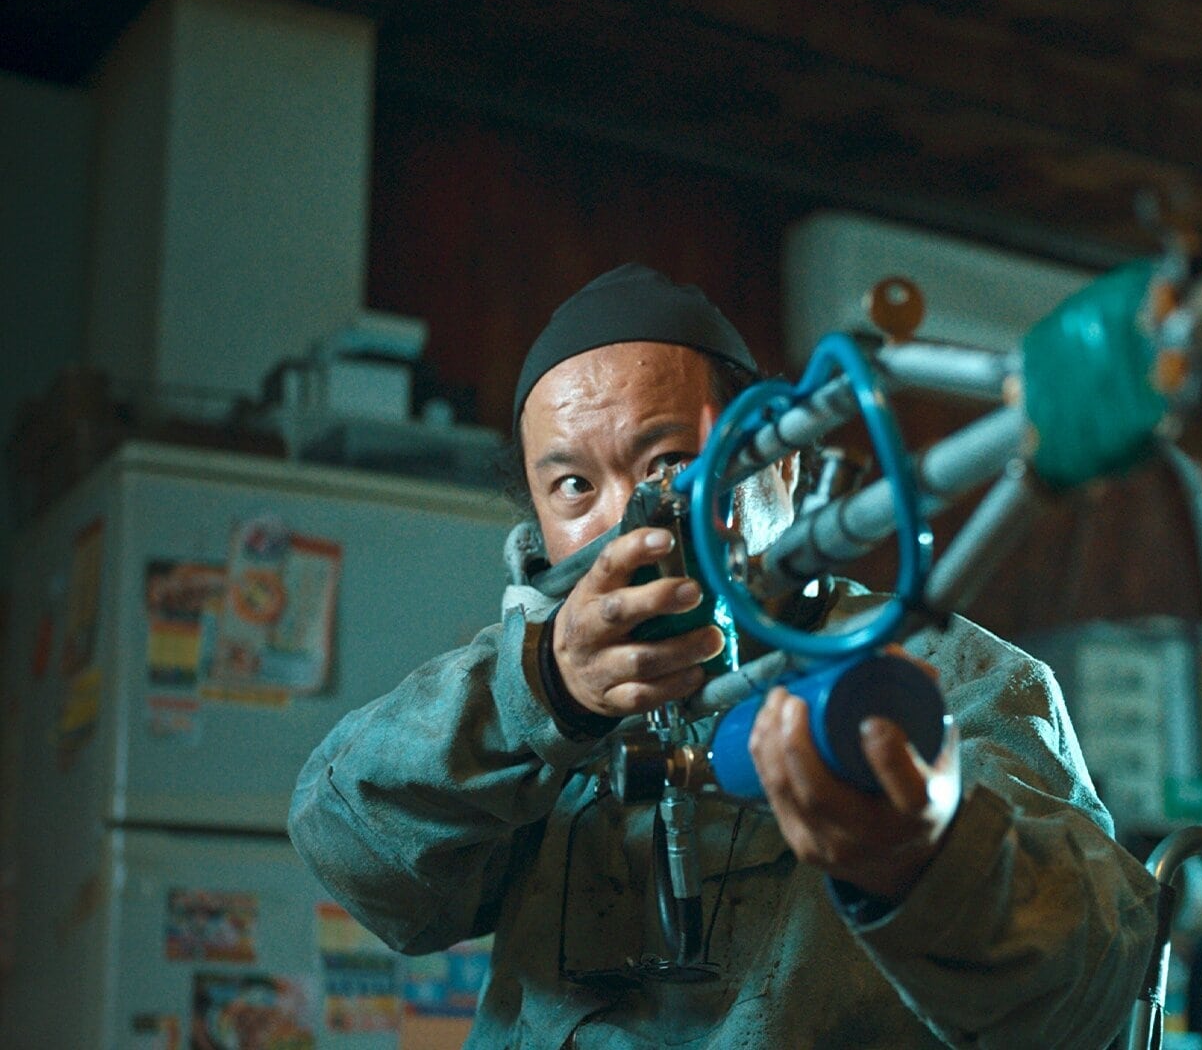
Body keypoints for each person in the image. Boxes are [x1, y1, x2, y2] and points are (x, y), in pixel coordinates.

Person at [289, 264, 1158, 1048]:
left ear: (786, 469)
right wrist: (541, 690)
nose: (632, 521)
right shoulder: (529, 687)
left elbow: (1092, 993)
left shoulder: (951, 678)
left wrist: (929, 865)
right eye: (574, 486)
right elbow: (358, 858)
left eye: (670, 461)